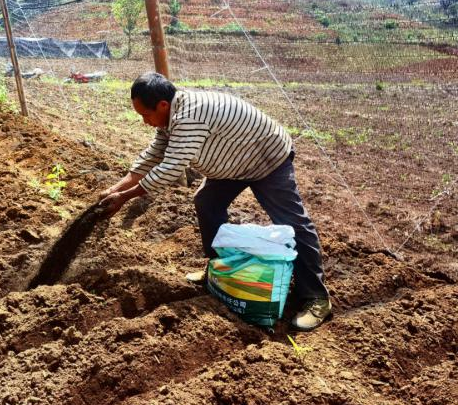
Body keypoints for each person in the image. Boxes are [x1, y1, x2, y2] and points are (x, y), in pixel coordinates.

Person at [99, 72, 331, 331]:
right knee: (207, 202)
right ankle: (219, 271)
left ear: (163, 105)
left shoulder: (189, 117)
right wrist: (116, 188)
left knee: (292, 222)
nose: (145, 122)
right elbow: (154, 155)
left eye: (146, 115)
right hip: (234, 163)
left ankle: (316, 298)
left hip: (267, 159)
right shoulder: (170, 117)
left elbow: (171, 167)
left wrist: (124, 198)